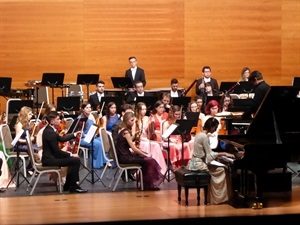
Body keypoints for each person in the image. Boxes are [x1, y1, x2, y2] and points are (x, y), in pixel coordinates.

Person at [186, 117, 235, 205]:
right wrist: (224, 153)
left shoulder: (199, 134)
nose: (215, 130)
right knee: (223, 170)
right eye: (215, 128)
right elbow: (209, 155)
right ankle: (218, 199)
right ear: (212, 127)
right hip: (199, 165)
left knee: (221, 168)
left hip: (194, 162)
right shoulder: (205, 137)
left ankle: (213, 197)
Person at [116, 111, 164, 190]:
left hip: (123, 156)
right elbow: (134, 149)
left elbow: (127, 142)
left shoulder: (122, 130)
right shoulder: (126, 132)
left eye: (133, 120)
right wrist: (145, 155)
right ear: (126, 120)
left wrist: (134, 136)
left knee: (146, 159)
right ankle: (148, 185)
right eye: (131, 120)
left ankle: (146, 184)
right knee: (150, 160)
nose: (133, 122)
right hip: (125, 158)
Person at [42, 111, 87, 193]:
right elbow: (56, 151)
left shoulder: (50, 130)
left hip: (51, 158)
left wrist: (74, 134)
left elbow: (61, 139)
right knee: (75, 160)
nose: (60, 121)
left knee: (73, 160)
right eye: (58, 119)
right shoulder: (49, 133)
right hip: (49, 160)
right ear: (52, 121)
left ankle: (69, 185)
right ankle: (72, 186)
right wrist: (70, 154)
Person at [134, 102, 167, 175]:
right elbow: (135, 133)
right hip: (138, 140)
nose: (144, 111)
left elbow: (149, 133)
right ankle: (146, 169)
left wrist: (151, 124)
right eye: (142, 109)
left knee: (156, 145)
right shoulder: (135, 119)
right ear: (138, 110)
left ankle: (158, 168)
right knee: (146, 145)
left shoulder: (147, 118)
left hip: (146, 139)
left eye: (145, 109)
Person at [77, 101, 106, 169]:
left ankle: (103, 161)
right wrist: (87, 135)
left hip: (90, 136)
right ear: (83, 109)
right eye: (87, 108)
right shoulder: (80, 118)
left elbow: (94, 126)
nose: (89, 109)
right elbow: (78, 132)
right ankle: (95, 164)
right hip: (82, 138)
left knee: (101, 140)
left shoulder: (91, 116)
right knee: (96, 143)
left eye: (90, 107)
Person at [14, 106, 38, 175]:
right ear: (25, 114)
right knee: (34, 149)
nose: (32, 115)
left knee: (37, 147)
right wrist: (28, 140)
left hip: (26, 144)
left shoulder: (27, 123)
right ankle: (30, 168)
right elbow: (18, 139)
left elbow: (27, 135)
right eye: (30, 114)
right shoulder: (19, 125)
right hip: (19, 145)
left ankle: (31, 167)